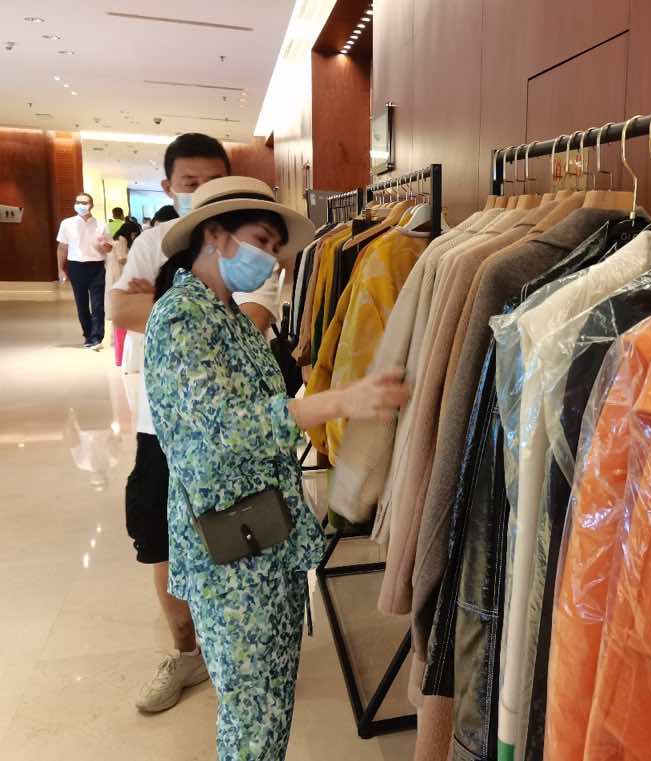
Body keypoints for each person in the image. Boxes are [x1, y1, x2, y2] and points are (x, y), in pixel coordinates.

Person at [145, 176, 409, 759]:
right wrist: (337, 402)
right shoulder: (182, 319)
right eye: (261, 241)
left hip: (267, 540)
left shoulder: (230, 316)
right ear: (215, 235)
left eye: (273, 246)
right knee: (251, 719)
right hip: (232, 557)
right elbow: (218, 432)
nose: (270, 258)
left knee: (268, 706)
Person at [109, 133, 279, 714]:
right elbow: (117, 309)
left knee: (237, 542)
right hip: (159, 430)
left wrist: (162, 302)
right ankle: (186, 653)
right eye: (190, 183)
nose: (203, 191)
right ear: (169, 188)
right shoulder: (152, 241)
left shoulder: (254, 243)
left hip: (234, 443)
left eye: (214, 180)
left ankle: (243, 648)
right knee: (160, 539)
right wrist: (185, 307)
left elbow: (249, 320)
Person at [56, 192, 106, 349]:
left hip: (97, 267)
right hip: (76, 267)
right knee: (82, 304)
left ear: (91, 205)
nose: (81, 205)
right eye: (78, 202)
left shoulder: (101, 224)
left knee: (98, 305)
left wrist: (104, 245)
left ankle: (97, 337)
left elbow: (108, 248)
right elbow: (62, 247)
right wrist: (60, 269)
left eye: (84, 203)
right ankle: (88, 335)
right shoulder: (67, 224)